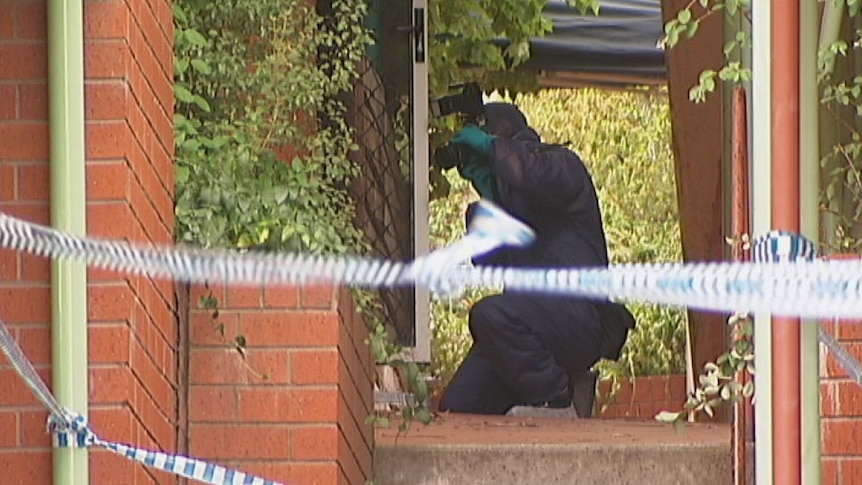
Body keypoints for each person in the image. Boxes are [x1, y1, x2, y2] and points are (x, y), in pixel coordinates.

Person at [437, 102, 635, 417]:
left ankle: (557, 400)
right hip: (526, 334)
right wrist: (491, 199)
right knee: (458, 408)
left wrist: (492, 150)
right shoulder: (505, 210)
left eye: (493, 145)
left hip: (577, 318)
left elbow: (530, 174)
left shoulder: (563, 166)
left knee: (488, 314)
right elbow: (492, 264)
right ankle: (542, 391)